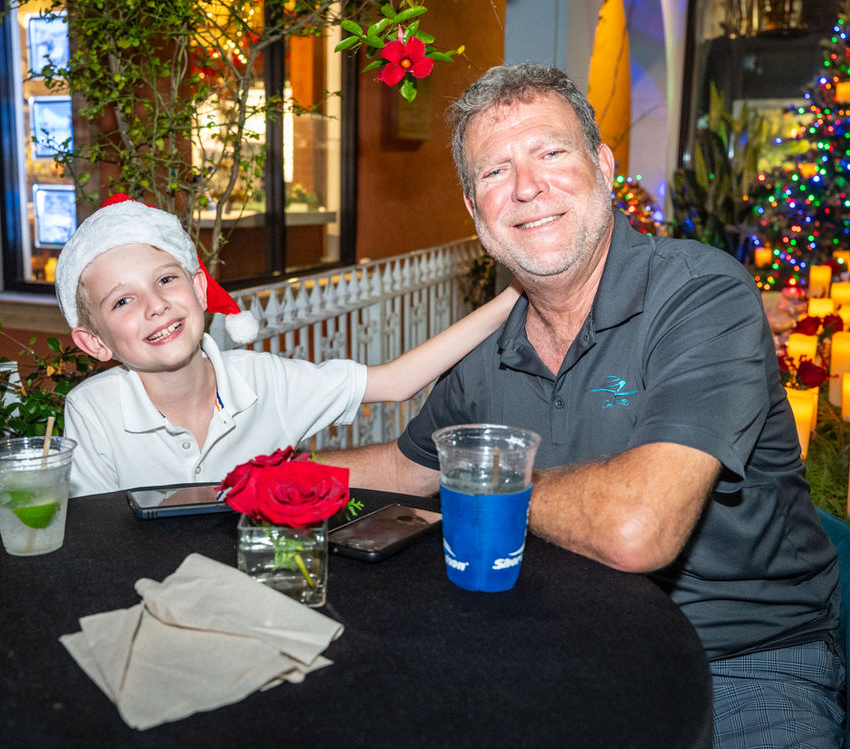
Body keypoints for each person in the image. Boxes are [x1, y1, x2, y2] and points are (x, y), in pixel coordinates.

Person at [329, 64, 846, 747]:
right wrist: (253, 470)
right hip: (555, 647)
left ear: (603, 166)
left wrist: (484, 479)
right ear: (474, 208)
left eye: (551, 152)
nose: (526, 187)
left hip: (740, 666)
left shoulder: (701, 295)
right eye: (495, 171)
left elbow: (636, 528)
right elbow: (405, 469)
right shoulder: (487, 349)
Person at [54, 194, 519, 498]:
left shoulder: (264, 380)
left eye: (165, 280)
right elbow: (97, 536)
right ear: (94, 341)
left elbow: (395, 382)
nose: (155, 305)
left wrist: (514, 296)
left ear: (199, 289)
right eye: (123, 301)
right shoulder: (93, 411)